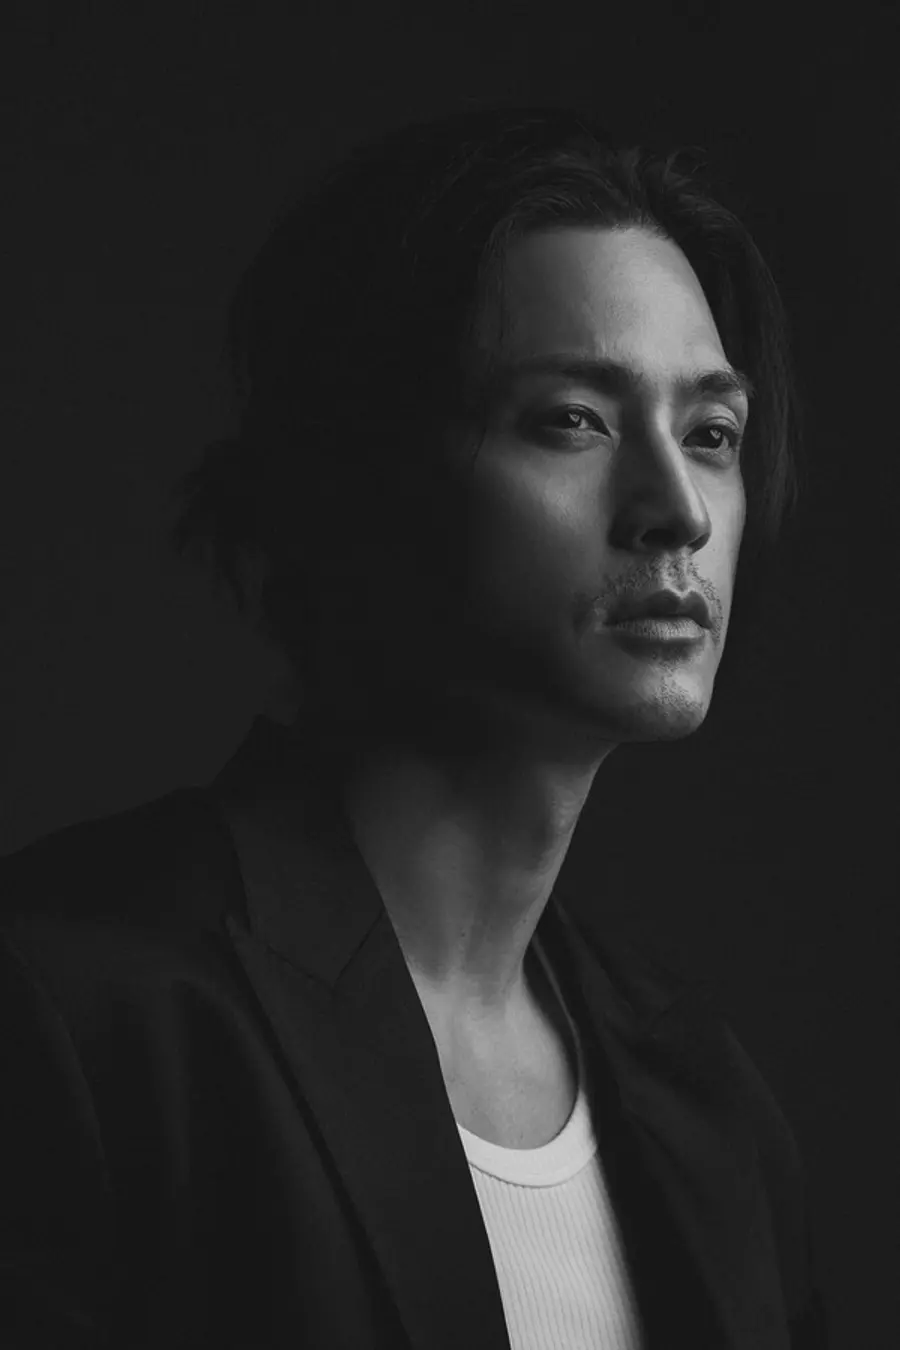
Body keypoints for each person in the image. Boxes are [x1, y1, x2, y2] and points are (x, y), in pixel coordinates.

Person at [0, 105, 828, 1348]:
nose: (680, 512)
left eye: (711, 434)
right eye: (572, 419)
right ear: (371, 470)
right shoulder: (73, 1011)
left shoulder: (709, 1101)